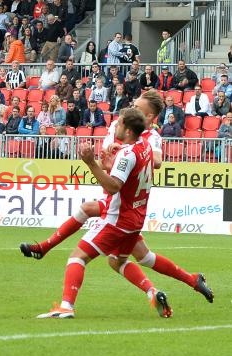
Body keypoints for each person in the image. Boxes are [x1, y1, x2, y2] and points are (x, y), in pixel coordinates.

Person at [20, 90, 214, 305]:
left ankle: (60, 287)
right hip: (126, 204)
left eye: (138, 108)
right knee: (133, 257)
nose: (133, 108)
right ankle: (177, 285)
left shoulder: (150, 139)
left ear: (148, 117)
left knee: (85, 239)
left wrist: (116, 153)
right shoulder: (122, 130)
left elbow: (154, 162)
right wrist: (109, 156)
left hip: (121, 204)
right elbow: (108, 164)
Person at [36, 108, 174, 318]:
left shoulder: (127, 154)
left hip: (117, 218)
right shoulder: (145, 146)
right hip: (135, 220)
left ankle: (66, 306)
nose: (115, 126)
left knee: (77, 258)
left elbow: (113, 186)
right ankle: (152, 292)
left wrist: (92, 163)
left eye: (119, 124)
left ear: (128, 131)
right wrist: (110, 163)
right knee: (117, 261)